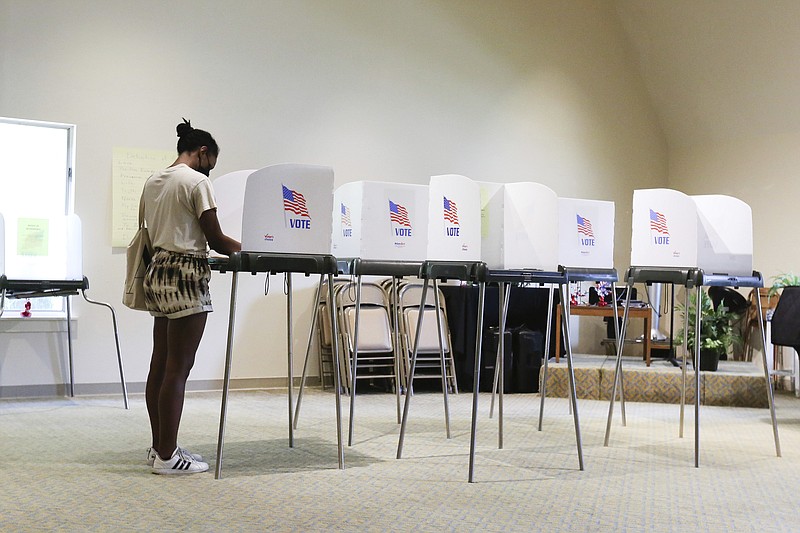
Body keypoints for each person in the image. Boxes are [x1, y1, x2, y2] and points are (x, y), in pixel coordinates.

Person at [141, 119, 241, 474]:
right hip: (186, 274)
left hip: (158, 271)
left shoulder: (154, 180)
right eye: (211, 163)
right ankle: (168, 457)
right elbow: (215, 239)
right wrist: (250, 250)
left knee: (161, 365)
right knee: (178, 370)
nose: (210, 172)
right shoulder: (197, 182)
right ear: (202, 152)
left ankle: (159, 447)